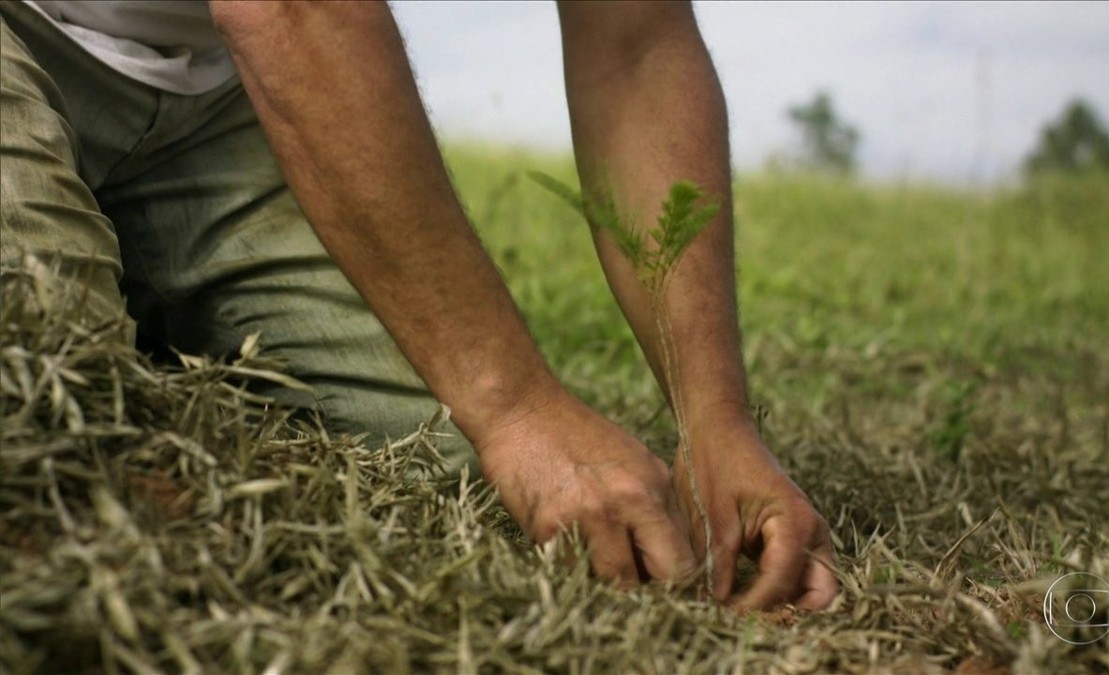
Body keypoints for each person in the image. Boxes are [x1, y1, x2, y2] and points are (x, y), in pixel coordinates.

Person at [0, 0, 837, 611]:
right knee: (50, 399)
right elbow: (293, 9)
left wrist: (713, 417)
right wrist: (516, 405)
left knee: (454, 479)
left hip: (216, 91)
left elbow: (635, 40)